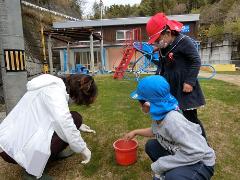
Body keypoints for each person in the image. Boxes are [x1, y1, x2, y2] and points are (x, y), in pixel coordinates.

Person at [0, 73, 97, 179]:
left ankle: (52, 155)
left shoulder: (53, 86)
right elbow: (64, 122)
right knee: (74, 119)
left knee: (75, 119)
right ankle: (32, 171)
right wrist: (83, 148)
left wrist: (79, 126)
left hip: (12, 142)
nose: (75, 102)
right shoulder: (54, 90)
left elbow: (53, 115)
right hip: (12, 148)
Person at [124, 75, 215, 180]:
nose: (139, 105)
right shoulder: (159, 113)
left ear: (147, 105)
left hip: (201, 162)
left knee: (173, 177)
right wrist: (135, 132)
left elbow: (197, 152)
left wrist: (162, 164)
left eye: (140, 102)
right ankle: (175, 171)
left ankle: (181, 174)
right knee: (151, 146)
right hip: (183, 153)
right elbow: (155, 131)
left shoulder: (173, 120)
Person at [146, 13, 207, 138]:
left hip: (184, 87)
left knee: (190, 118)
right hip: (172, 87)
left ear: (168, 33)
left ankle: (203, 144)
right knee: (176, 116)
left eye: (158, 41)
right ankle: (182, 141)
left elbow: (196, 61)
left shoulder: (184, 42)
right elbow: (162, 64)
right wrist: (159, 76)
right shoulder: (164, 46)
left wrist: (190, 81)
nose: (157, 44)